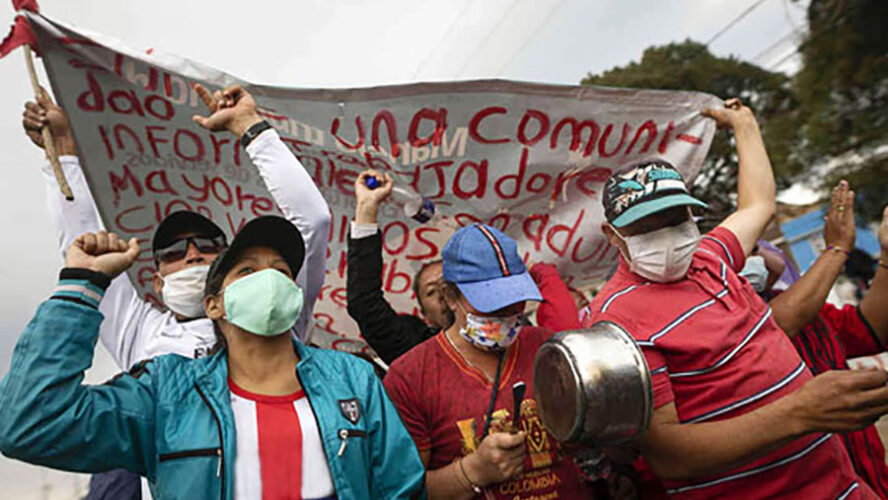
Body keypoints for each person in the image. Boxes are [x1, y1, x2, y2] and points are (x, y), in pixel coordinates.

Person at [22, 85, 331, 498]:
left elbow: (311, 221)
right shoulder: (140, 333)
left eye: (207, 247)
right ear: (156, 280)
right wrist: (62, 152)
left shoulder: (274, 317)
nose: (192, 255)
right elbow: (83, 242)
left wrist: (251, 128)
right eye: (173, 251)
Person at [582, 98, 888, 499]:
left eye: (675, 222)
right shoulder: (614, 321)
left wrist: (744, 126)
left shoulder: (711, 257)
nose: (667, 238)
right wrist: (799, 412)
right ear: (612, 235)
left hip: (841, 487)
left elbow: (758, 203)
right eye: (646, 229)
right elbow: (669, 457)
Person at [0, 217, 426, 500]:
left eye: (281, 270)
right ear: (215, 305)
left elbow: (401, 488)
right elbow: (29, 423)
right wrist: (82, 286)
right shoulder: (166, 394)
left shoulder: (352, 378)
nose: (269, 279)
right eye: (247, 271)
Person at [383, 223, 598, 499]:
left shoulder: (547, 348)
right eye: (490, 303)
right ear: (450, 297)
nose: (506, 313)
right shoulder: (411, 377)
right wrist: (471, 470)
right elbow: (403, 491)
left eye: (515, 301)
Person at [740, 184, 888, 498]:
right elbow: (776, 326)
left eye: (757, 246)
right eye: (747, 250)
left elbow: (870, 329)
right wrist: (836, 249)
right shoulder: (721, 330)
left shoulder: (804, 307)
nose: (761, 256)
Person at [348, 170, 579, 364]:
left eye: (451, 281)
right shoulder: (418, 354)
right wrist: (367, 208)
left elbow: (567, 335)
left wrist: (539, 274)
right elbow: (365, 304)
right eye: (431, 291)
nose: (442, 290)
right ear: (426, 317)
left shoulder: (516, 333)